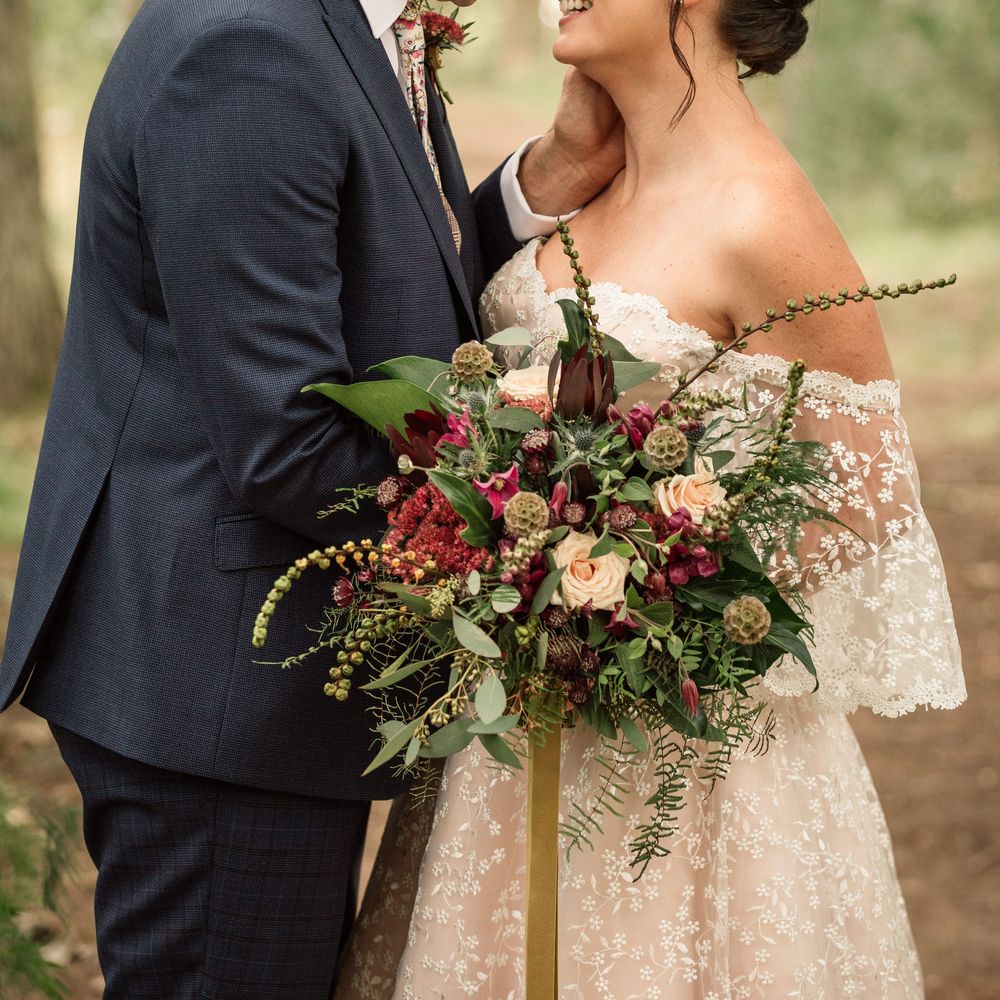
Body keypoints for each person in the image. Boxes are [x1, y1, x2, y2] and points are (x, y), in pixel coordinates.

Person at [0, 0, 625, 996]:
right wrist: (529, 550)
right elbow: (285, 438)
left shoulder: (348, 27)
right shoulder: (243, 50)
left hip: (249, 680)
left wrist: (535, 184)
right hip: (215, 689)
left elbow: (372, 283)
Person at [342, 0, 965, 996]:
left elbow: (863, 498)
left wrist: (647, 599)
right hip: (509, 746)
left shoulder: (761, 214)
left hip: (674, 771)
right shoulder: (586, 180)